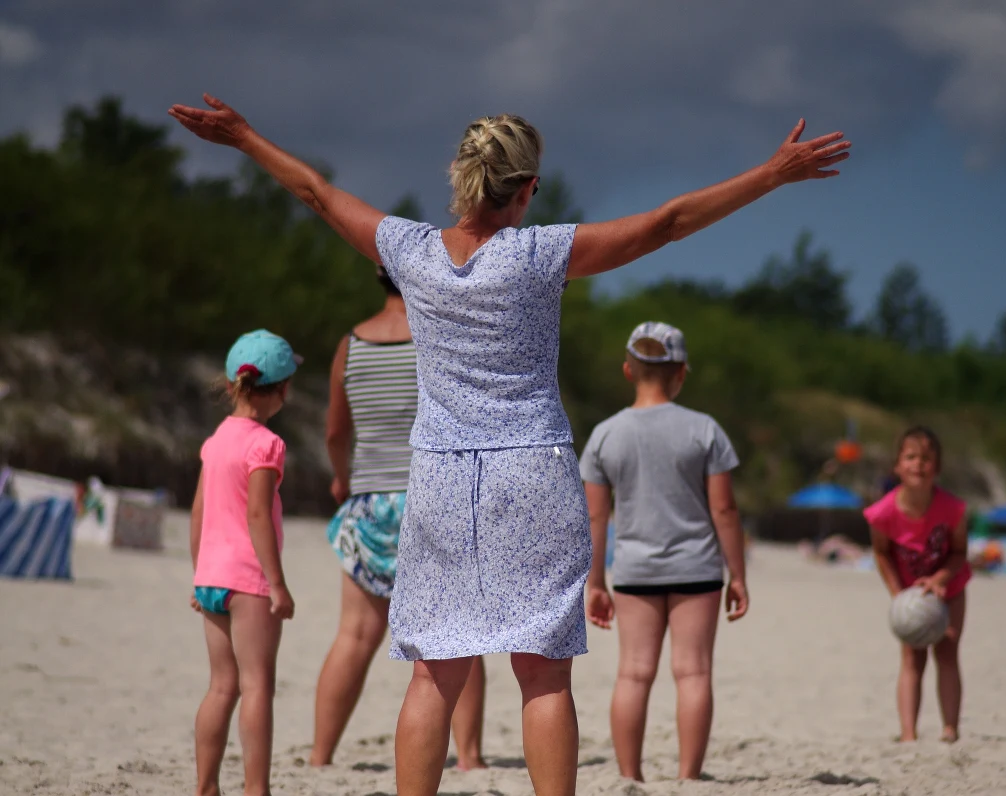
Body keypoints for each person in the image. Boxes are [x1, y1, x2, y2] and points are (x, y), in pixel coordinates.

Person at [169, 93, 849, 796]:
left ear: (462, 178)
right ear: (526, 188)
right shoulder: (538, 254)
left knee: (434, 670)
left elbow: (315, 193)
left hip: (437, 477)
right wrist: (770, 174)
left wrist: (244, 136)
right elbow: (666, 224)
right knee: (544, 671)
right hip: (530, 470)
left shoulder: (411, 252)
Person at [310, 266, 487, 769]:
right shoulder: (437, 335)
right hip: (432, 496)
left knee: (355, 636)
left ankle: (320, 756)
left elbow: (335, 432)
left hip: (370, 501)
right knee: (459, 634)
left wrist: (344, 479)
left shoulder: (350, 344)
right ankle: (470, 758)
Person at [580, 322, 748, 782]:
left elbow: (596, 518)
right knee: (692, 673)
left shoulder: (605, 435)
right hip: (697, 567)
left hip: (635, 570)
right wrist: (738, 575)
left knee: (633, 674)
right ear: (681, 373)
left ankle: (630, 776)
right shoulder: (704, 430)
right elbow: (726, 509)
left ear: (628, 370)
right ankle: (688, 776)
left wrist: (596, 582)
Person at [189, 329, 300, 796]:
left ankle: (206, 786)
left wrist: (199, 574)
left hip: (211, 577)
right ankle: (257, 788)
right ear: (278, 390)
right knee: (257, 687)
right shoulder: (265, 445)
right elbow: (258, 514)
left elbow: (198, 512)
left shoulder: (216, 442)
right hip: (248, 581)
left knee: (221, 686)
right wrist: (277, 583)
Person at [864, 426, 969, 744]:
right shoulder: (882, 513)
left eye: (926, 458)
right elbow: (882, 553)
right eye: (910, 457)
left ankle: (950, 729)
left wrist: (939, 580)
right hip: (910, 593)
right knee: (912, 657)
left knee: (948, 651)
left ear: (936, 467)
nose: (918, 464)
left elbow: (959, 553)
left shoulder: (953, 510)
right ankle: (908, 732)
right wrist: (899, 596)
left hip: (948, 588)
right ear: (897, 465)